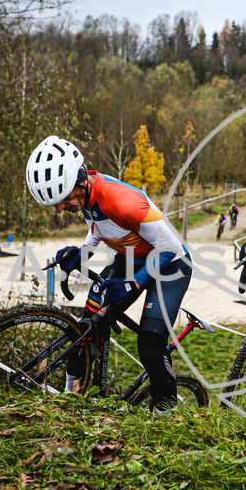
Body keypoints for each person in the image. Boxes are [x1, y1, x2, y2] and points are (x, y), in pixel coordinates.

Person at [25, 136, 192, 412]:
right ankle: (69, 398)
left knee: (150, 345)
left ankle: (167, 415)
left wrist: (133, 284)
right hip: (131, 257)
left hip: (172, 264)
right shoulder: (85, 195)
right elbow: (98, 226)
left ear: (80, 180)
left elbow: (171, 248)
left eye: (62, 199)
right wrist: (83, 253)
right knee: (85, 326)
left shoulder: (124, 201)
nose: (59, 209)